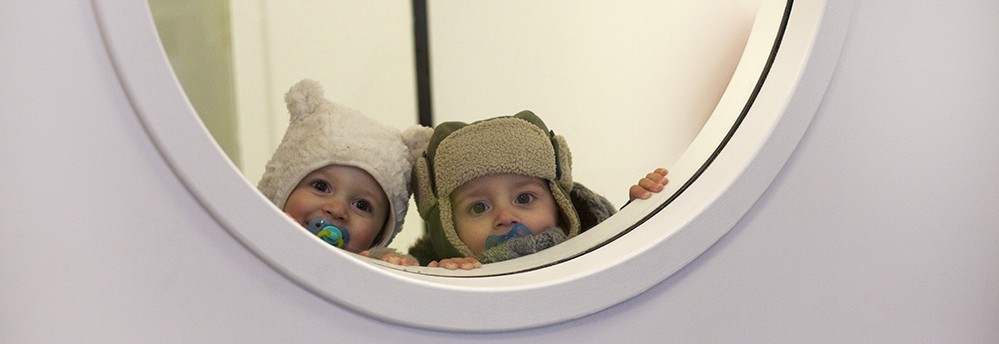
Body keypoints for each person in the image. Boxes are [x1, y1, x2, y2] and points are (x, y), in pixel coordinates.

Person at [407, 110, 669, 269]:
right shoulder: (443, 275)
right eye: (478, 207)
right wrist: (445, 280)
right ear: (446, 227)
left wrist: (637, 222)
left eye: (524, 198)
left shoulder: (594, 252)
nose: (505, 217)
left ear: (559, 205)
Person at [257, 79, 430, 266]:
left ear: (380, 234)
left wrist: (389, 268)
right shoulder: (244, 242)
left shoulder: (377, 270)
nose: (337, 210)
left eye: (362, 205)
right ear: (280, 187)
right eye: (321, 186)